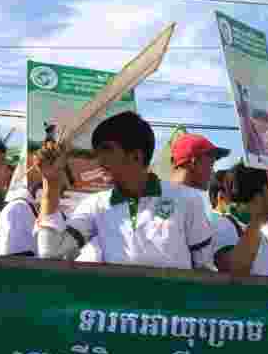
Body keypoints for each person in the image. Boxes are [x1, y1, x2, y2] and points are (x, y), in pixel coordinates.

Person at [35, 111, 213, 269]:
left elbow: (204, 268)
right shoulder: (95, 205)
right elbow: (51, 253)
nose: (98, 161)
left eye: (107, 149)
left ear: (136, 156)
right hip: (114, 306)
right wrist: (50, 184)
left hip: (174, 306)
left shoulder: (187, 200)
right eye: (97, 152)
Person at [212, 162, 268, 278]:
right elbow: (235, 271)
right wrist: (260, 218)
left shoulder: (260, 233)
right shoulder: (223, 225)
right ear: (263, 193)